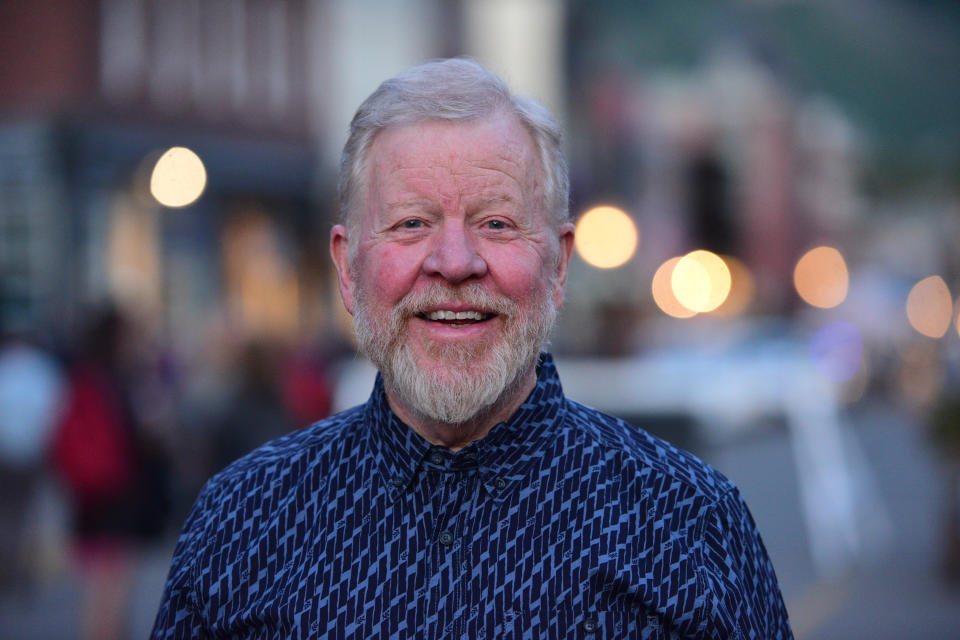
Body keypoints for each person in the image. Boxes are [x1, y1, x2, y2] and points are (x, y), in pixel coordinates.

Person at [152, 58, 792, 639]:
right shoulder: (242, 523)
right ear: (348, 269)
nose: (454, 263)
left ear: (559, 265)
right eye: (411, 223)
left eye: (496, 223)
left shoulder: (689, 525)